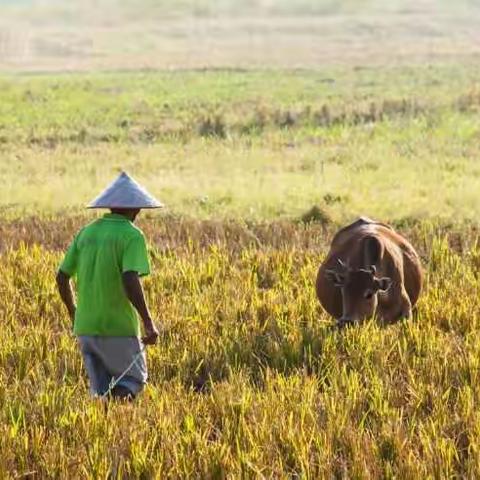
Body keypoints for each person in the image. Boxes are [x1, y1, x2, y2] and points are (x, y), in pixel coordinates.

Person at [56, 171, 163, 400]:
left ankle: (105, 423)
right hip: (118, 327)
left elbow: (62, 276)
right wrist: (148, 322)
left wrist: (74, 312)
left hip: (85, 327)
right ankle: (116, 420)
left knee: (100, 392)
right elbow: (129, 279)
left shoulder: (86, 233)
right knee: (133, 380)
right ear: (135, 209)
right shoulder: (132, 236)